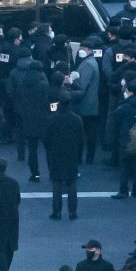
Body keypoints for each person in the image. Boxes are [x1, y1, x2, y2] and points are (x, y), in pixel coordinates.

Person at [10, 48, 50, 181]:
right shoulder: (44, 84)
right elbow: (49, 101)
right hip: (44, 119)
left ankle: (35, 174)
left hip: (28, 119)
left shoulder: (22, 84)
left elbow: (17, 99)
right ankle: (51, 171)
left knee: (32, 149)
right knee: (49, 148)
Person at [44, 92, 84, 220]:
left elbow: (46, 139)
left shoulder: (52, 119)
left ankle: (57, 212)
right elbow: (81, 140)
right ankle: (72, 212)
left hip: (55, 154)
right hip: (71, 154)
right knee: (72, 184)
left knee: (56, 184)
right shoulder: (77, 119)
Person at [111, 80, 136, 199]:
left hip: (126, 138)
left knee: (124, 165)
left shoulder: (126, 106)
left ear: (130, 92)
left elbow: (115, 116)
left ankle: (123, 190)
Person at [70, 39, 101, 164]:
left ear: (88, 50)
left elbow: (82, 86)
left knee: (86, 133)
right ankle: (89, 157)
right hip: (91, 103)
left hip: (86, 104)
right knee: (90, 131)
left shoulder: (87, 64)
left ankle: (85, 158)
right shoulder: (91, 61)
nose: (80, 51)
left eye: (82, 49)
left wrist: (73, 80)